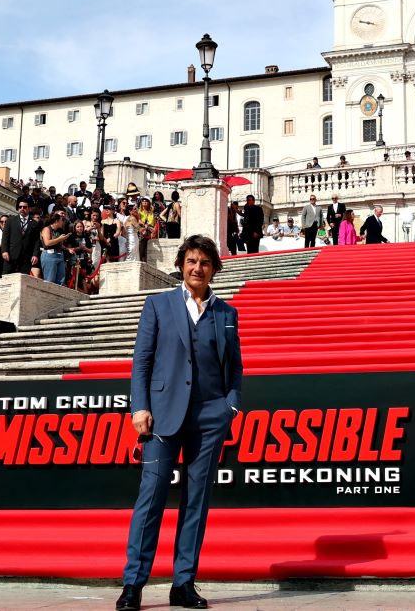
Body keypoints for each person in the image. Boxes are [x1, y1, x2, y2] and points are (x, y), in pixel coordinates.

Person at [118, 236, 242, 611]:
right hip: (160, 417)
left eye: (204, 262)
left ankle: (183, 582)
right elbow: (141, 361)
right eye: (191, 261)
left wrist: (230, 408)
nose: (197, 268)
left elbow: (234, 367)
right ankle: (133, 583)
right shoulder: (157, 305)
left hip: (209, 418)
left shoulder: (226, 313)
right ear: (181, 264)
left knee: (196, 501)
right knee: (150, 498)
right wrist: (139, 407)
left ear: (214, 269)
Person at [3, 200, 43, 275]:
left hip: (26, 257)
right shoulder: (11, 220)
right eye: (20, 207)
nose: (22, 209)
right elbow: (5, 237)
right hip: (11, 256)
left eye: (24, 207)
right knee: (7, 278)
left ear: (29, 209)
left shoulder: (34, 223)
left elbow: (36, 241)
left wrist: (35, 255)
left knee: (23, 280)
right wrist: (4, 251)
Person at [38, 213, 70, 285]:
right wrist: (59, 239)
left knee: (61, 281)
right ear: (56, 221)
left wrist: (67, 249)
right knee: (50, 280)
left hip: (59, 255)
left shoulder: (59, 231)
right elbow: (47, 243)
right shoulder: (46, 229)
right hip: (49, 255)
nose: (62, 222)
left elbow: (58, 244)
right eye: (61, 220)